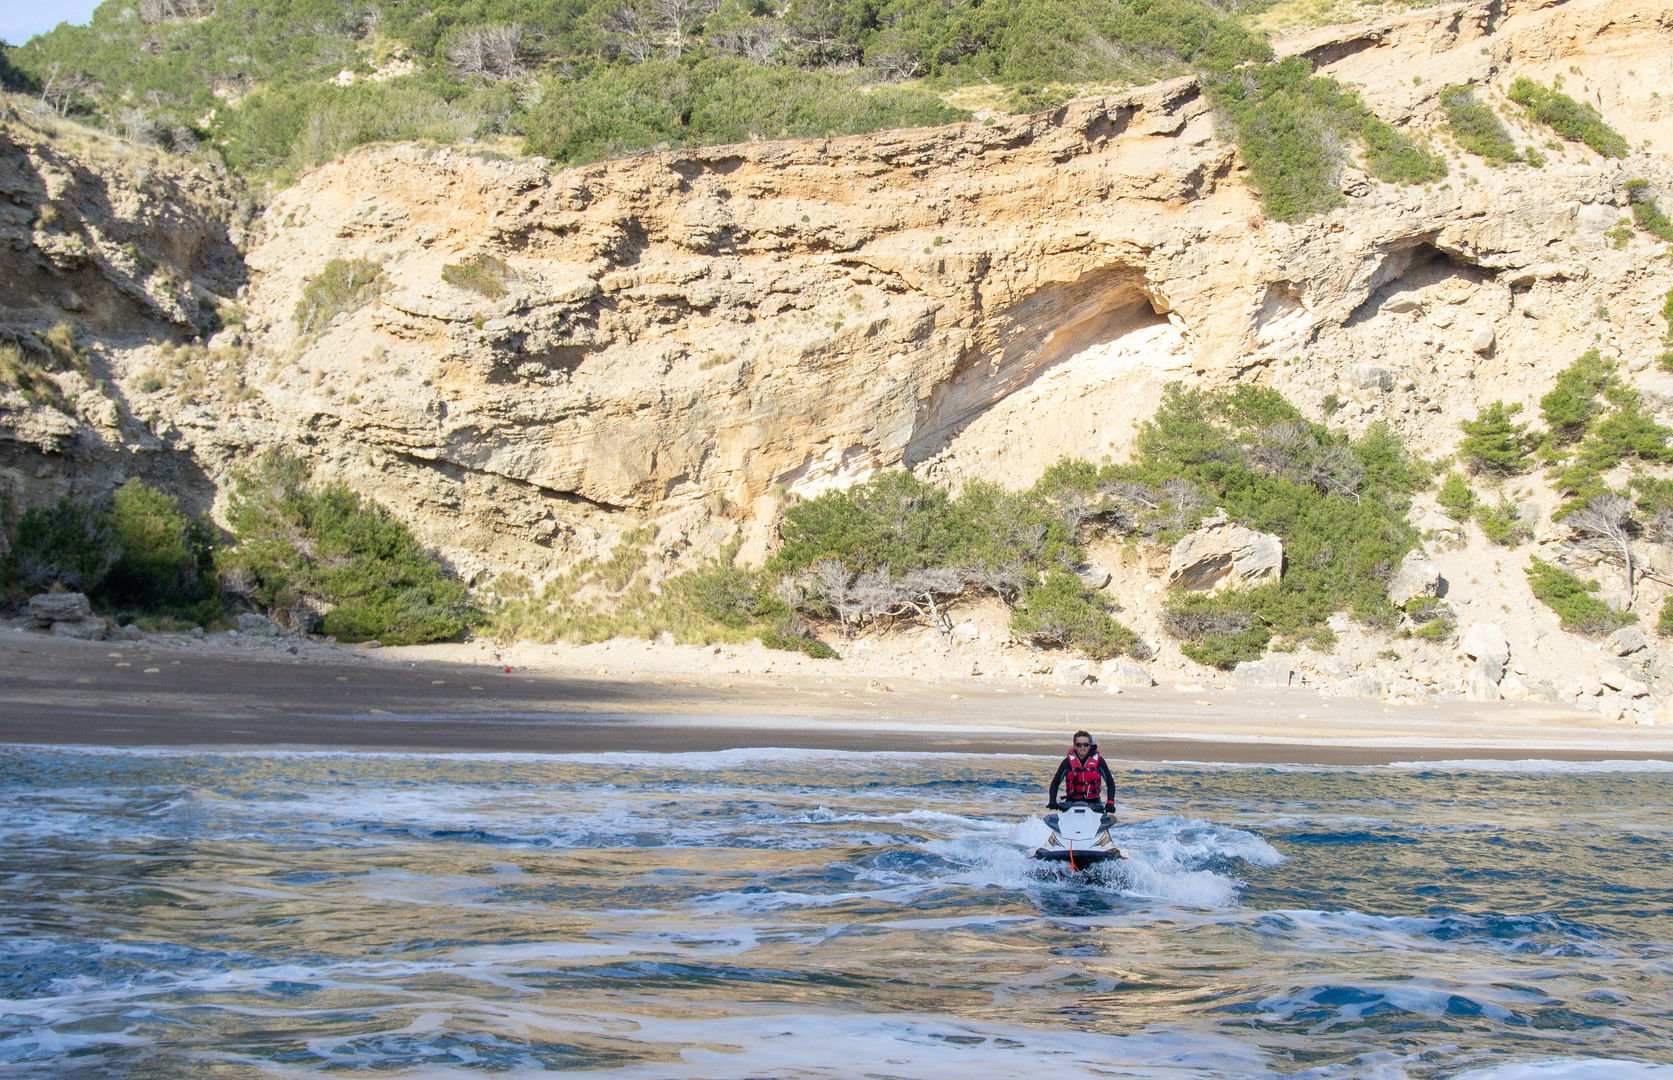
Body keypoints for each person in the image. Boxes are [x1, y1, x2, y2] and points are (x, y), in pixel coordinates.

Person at [1047, 730, 1116, 813]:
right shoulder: (1067, 762)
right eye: (1079, 745)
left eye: (1086, 745)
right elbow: (1055, 782)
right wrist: (1052, 801)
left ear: (1090, 746)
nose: (1082, 747)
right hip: (1071, 802)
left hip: (1094, 803)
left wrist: (1110, 802)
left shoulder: (1099, 762)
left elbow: (1110, 783)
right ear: (1074, 746)